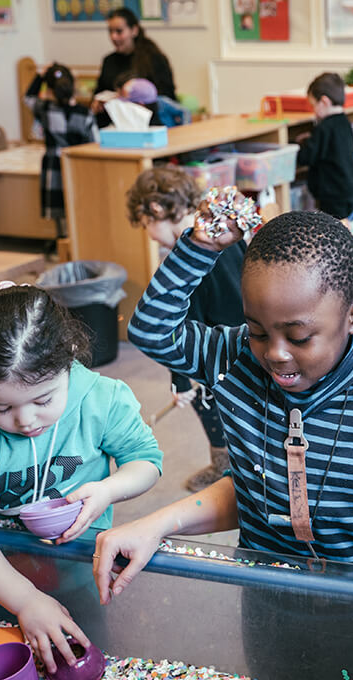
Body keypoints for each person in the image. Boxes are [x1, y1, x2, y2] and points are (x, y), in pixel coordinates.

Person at [97, 208, 353, 600]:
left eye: (299, 337)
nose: (275, 354)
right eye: (257, 331)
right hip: (261, 586)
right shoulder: (234, 358)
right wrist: (200, 247)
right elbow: (150, 330)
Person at [0, 284, 163, 672]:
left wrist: (108, 490)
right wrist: (25, 600)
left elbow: (145, 461)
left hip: (77, 569)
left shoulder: (103, 400)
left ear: (69, 358)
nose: (25, 421)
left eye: (43, 400)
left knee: (83, 662)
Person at [124, 168, 244, 491]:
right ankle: (228, 468)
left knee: (207, 404)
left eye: (147, 225)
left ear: (156, 210)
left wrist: (180, 379)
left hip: (217, 344)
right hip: (246, 333)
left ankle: (224, 469)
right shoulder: (223, 232)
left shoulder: (192, 252)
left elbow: (185, 320)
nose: (149, 235)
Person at [24, 64, 98, 237]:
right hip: (78, 166)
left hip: (53, 166)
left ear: (50, 90)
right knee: (79, 209)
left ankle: (62, 245)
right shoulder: (85, 113)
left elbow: (28, 98)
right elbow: (95, 142)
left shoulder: (46, 109)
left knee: (60, 214)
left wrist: (39, 76)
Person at [93, 7, 176, 127]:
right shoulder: (108, 61)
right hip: (116, 124)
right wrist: (98, 103)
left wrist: (131, 100)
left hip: (149, 124)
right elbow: (100, 91)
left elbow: (166, 97)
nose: (113, 37)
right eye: (110, 31)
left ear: (134, 30)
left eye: (119, 31)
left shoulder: (154, 59)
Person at [295, 73, 353, 219]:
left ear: (324, 101)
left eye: (313, 105)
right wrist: (311, 138)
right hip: (348, 187)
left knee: (332, 225)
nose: (314, 111)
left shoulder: (324, 128)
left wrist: (297, 146)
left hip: (332, 192)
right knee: (344, 224)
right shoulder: (344, 122)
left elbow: (307, 156)